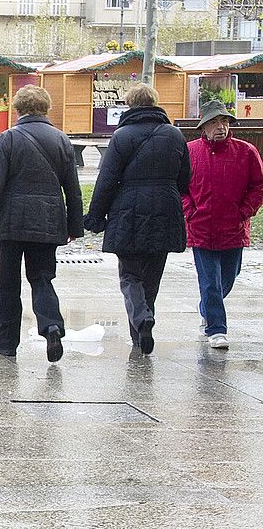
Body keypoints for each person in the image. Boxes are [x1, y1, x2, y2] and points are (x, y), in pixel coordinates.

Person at [0, 85, 82, 362]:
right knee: (42, 278)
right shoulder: (61, 139)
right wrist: (74, 226)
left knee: (7, 283)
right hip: (48, 219)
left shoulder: (10, 138)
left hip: (12, 221)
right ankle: (51, 325)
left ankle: (6, 344)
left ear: (17, 109)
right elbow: (73, 188)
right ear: (46, 108)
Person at [84, 83, 190, 355]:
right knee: (152, 277)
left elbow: (107, 180)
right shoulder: (175, 135)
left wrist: (95, 217)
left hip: (128, 210)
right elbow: (185, 180)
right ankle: (142, 332)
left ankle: (141, 321)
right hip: (166, 209)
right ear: (155, 103)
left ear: (130, 105)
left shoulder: (122, 136)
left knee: (130, 275)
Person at [183, 100, 263, 349]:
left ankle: (206, 307)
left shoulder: (246, 151)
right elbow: (180, 188)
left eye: (225, 121)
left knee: (228, 277)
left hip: (234, 228)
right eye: (215, 122)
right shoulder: (189, 151)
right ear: (204, 127)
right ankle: (217, 329)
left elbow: (258, 186)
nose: (221, 127)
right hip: (201, 227)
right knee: (210, 282)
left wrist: (245, 212)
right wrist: (190, 212)